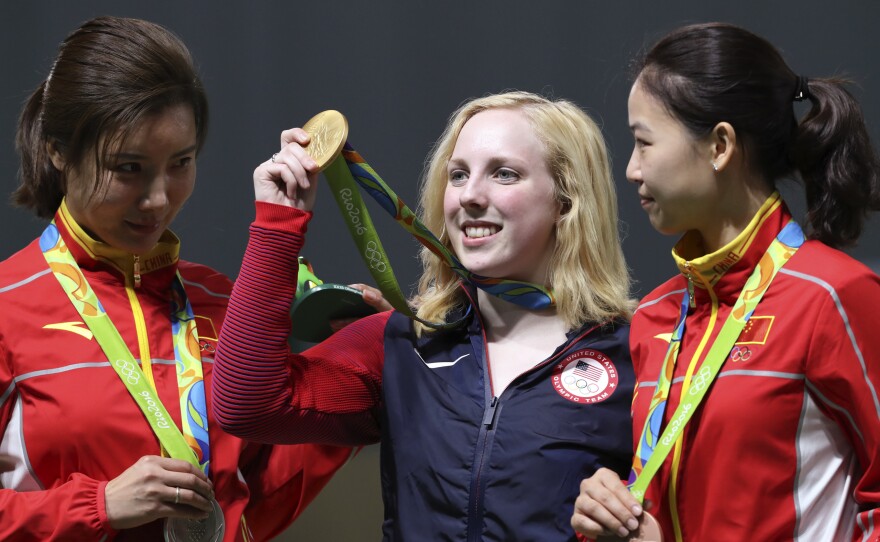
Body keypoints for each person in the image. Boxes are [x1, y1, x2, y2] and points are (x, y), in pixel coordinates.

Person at [0, 15, 387, 540]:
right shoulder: (8, 305)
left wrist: (366, 358)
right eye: (128, 168)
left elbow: (255, 498)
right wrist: (99, 505)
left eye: (180, 162)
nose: (158, 198)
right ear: (58, 151)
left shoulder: (222, 303)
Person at [211, 91, 636, 540]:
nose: (470, 195)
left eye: (504, 174)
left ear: (566, 202)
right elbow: (246, 405)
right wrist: (279, 223)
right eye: (458, 175)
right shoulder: (402, 342)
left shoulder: (636, 352)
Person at [571, 22, 880, 541]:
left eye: (643, 142)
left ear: (719, 145)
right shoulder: (653, 316)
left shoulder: (833, 296)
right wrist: (610, 510)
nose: (630, 169)